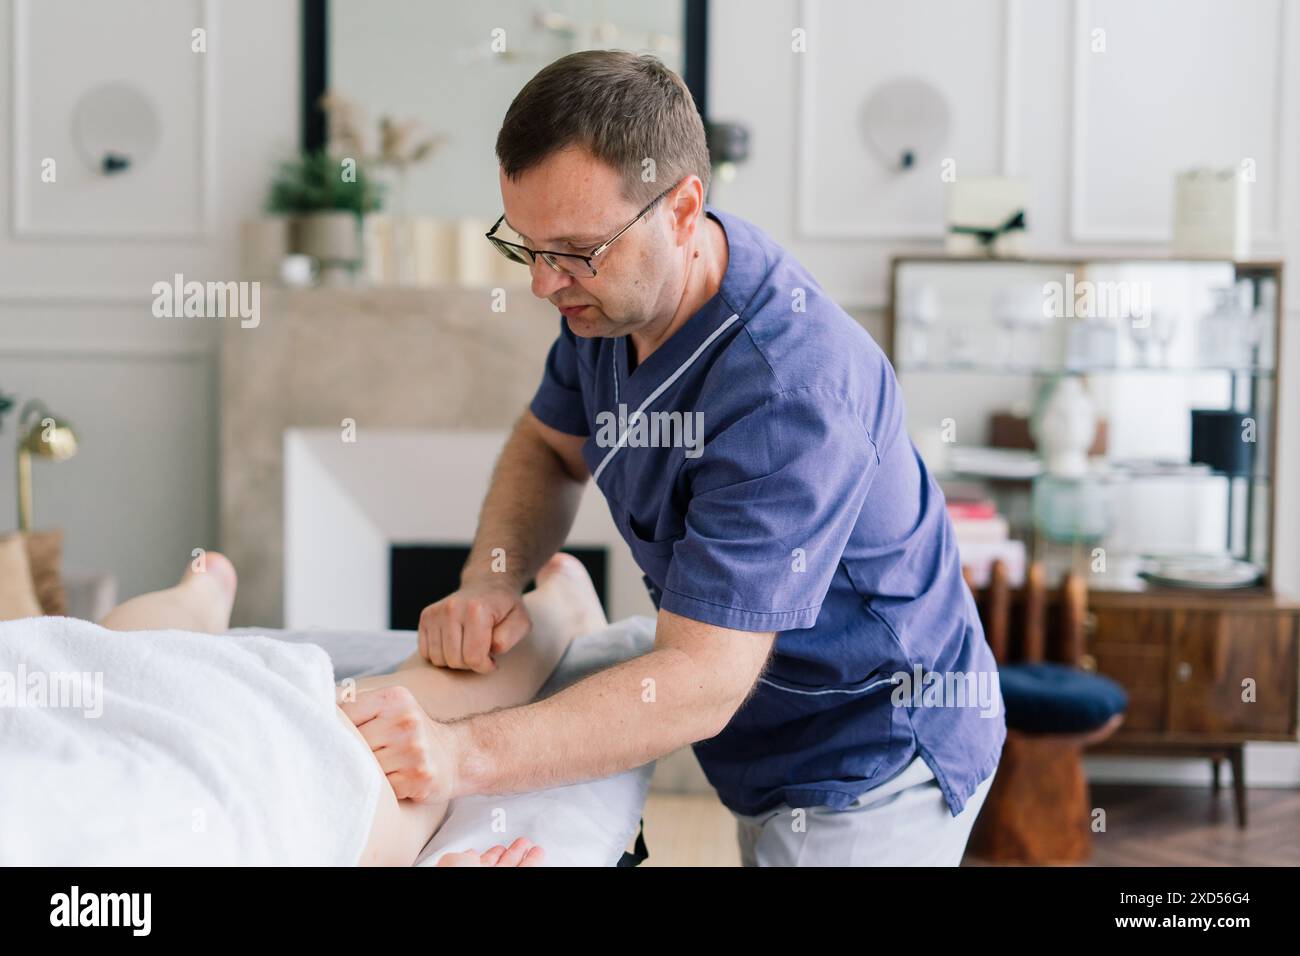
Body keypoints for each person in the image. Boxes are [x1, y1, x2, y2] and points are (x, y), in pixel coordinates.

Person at [360, 49, 1005, 866]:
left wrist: (458, 756)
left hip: (872, 759)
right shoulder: (606, 296)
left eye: (572, 250)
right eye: (526, 247)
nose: (543, 285)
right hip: (761, 739)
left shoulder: (789, 393)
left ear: (681, 209)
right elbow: (549, 449)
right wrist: (491, 577)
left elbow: (700, 680)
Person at [89, 551, 609, 866]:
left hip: (64, 709)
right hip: (231, 769)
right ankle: (199, 595)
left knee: (118, 662)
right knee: (124, 655)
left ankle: (201, 596)